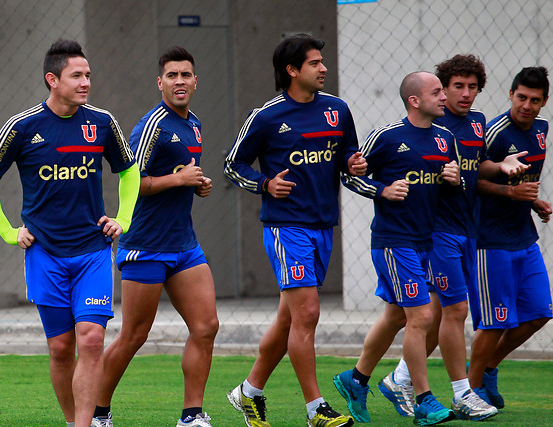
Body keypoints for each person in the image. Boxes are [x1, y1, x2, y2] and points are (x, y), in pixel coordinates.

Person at [0, 39, 140, 427]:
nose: (86, 83)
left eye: (88, 75)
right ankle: (71, 421)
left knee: (92, 339)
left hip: (92, 252)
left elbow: (129, 172)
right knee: (62, 348)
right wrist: (9, 232)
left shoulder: (101, 122)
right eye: (77, 75)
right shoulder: (22, 126)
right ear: (53, 79)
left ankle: (85, 425)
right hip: (44, 253)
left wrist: (123, 219)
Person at [223, 33, 366, 427]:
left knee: (290, 319)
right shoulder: (266, 116)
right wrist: (265, 184)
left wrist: (354, 166)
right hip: (286, 228)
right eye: (315, 63)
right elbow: (233, 165)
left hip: (323, 226)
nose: (324, 68)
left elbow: (348, 161)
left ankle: (248, 392)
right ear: (292, 70)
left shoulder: (337, 110)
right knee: (309, 313)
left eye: (322, 62)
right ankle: (315, 409)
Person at [377, 55, 526, 421]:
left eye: (471, 87)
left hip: (465, 229)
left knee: (424, 314)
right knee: (443, 312)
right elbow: (362, 170)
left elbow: (468, 172)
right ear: (427, 96)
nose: (460, 94)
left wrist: (497, 168)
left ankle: (392, 379)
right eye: (452, 87)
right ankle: (459, 392)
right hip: (430, 233)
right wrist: (379, 186)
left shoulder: (470, 126)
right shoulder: (409, 133)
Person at [91, 46, 219, 427]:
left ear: (195, 80)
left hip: (184, 245)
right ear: (159, 82)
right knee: (133, 336)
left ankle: (191, 416)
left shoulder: (193, 122)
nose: (179, 81)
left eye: (186, 75)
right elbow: (131, 183)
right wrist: (177, 179)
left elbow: (180, 172)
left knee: (206, 327)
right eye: (172, 75)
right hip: (145, 246)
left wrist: (195, 183)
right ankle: (97, 413)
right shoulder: (152, 125)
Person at [337, 71, 461, 426]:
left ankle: (356, 379)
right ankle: (423, 400)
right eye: (437, 91)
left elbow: (451, 191)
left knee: (395, 315)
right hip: (394, 241)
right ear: (415, 100)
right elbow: (350, 175)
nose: (444, 97)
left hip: (426, 241)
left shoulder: (444, 138)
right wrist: (382, 190)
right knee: (421, 317)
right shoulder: (388, 137)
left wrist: (455, 180)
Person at [468, 66, 552, 408]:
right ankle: (469, 395)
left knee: (540, 311)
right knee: (493, 323)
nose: (527, 106)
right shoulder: (494, 133)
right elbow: (470, 180)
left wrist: (534, 202)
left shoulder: (542, 131)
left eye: (535, 100)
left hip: (523, 237)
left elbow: (523, 181)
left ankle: (488, 368)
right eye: (521, 97)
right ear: (510, 95)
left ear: (545, 101)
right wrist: (511, 194)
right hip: (489, 240)